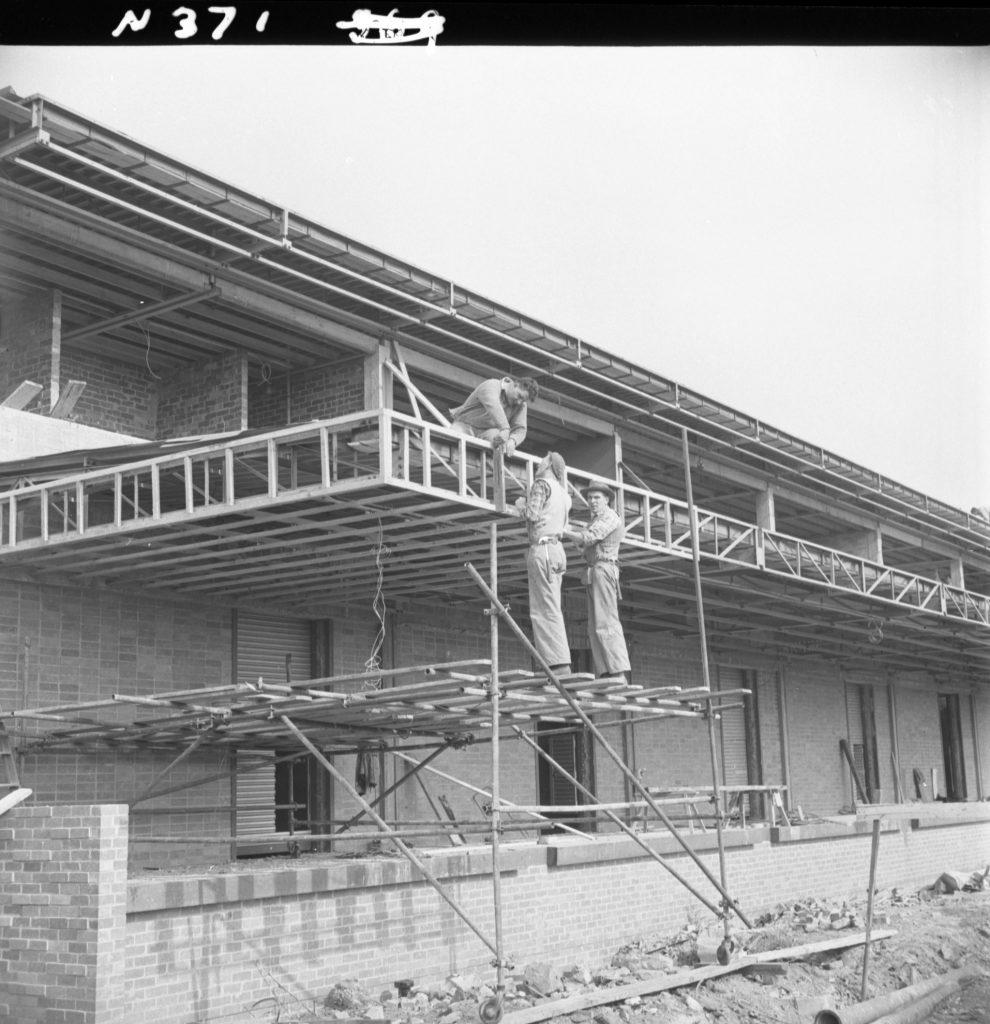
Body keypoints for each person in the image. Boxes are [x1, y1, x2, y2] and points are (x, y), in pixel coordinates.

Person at [563, 480, 631, 679]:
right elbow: (584, 544)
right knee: (594, 625)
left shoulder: (609, 517)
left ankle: (618, 671)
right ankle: (606, 671)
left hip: (604, 570)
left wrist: (562, 530)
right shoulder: (595, 520)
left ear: (607, 499)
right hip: (595, 572)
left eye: (597, 498)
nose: (592, 501)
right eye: (590, 498)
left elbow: (588, 538)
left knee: (607, 622)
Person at [514, 451, 572, 673]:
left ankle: (557, 664)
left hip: (543, 549)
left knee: (543, 607)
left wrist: (521, 504)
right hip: (557, 550)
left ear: (549, 465)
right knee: (552, 604)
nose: (538, 463)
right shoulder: (564, 495)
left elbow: (532, 514)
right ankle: (557, 660)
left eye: (542, 461)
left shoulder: (541, 484)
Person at [448, 376, 539, 457]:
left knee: (499, 442)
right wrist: (505, 429)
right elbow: (493, 405)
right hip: (465, 425)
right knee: (452, 439)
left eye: (523, 400)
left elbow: (520, 429)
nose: (519, 402)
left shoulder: (521, 405)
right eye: (519, 396)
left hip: (487, 432)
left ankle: (493, 470)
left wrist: (513, 441)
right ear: (515, 384)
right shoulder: (492, 385)